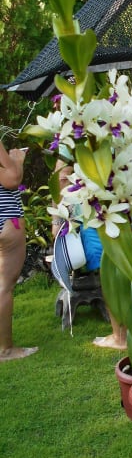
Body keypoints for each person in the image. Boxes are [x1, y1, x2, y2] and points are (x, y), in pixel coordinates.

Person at [52, 160, 129, 350]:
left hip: (94, 216)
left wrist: (58, 220)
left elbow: (61, 178)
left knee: (109, 275)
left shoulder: (73, 144)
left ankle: (120, 337)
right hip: (128, 209)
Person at [0, 140, 38, 361]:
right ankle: (6, 349)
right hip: (7, 218)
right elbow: (12, 179)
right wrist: (18, 160)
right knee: (4, 286)